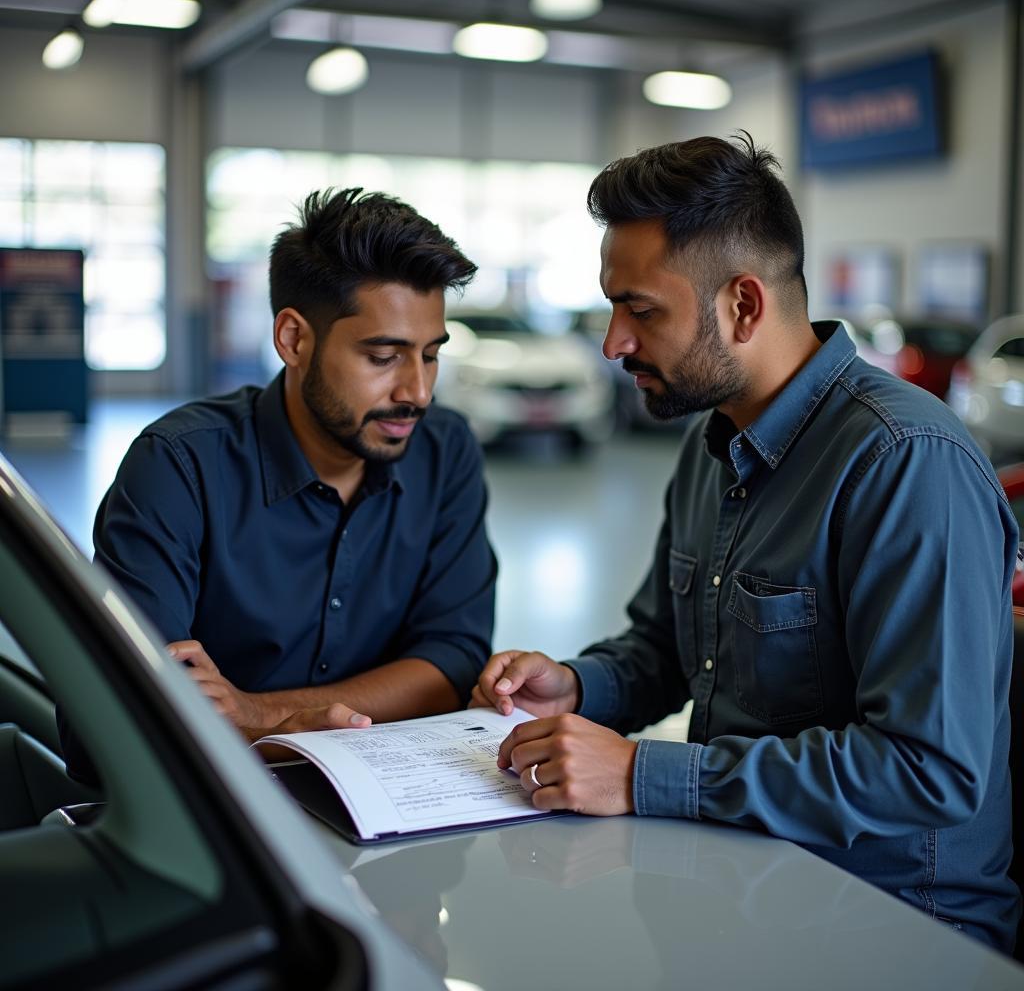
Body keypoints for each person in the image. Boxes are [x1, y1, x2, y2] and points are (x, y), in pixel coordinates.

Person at [473, 134, 1020, 952]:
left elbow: (927, 767)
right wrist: (578, 688)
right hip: (736, 883)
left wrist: (638, 773)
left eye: (641, 310)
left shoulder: (907, 465)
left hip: (892, 927)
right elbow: (668, 648)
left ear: (743, 306)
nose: (613, 342)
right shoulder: (714, 445)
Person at [91, 187, 497, 741]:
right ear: (293, 339)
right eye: (383, 357)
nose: (419, 391)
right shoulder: (179, 467)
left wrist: (259, 714)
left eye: (430, 355)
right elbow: (129, 710)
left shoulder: (444, 451)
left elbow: (453, 658)